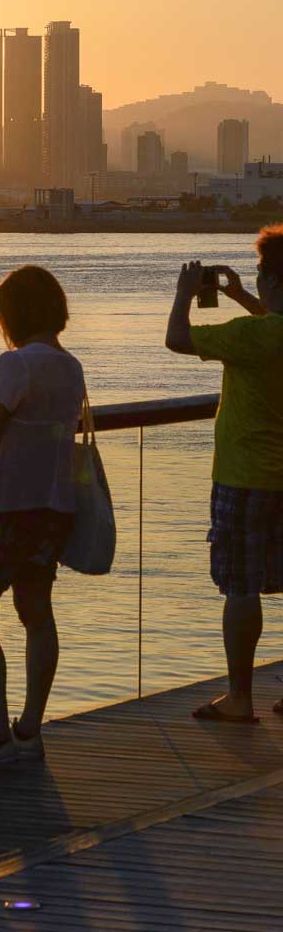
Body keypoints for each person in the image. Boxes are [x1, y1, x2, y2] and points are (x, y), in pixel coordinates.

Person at [0, 265, 84, 766]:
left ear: (12, 314)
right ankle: (30, 731)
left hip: (6, 511)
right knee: (36, 615)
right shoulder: (71, 367)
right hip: (51, 508)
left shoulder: (14, 363)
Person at [165, 231, 283, 724]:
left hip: (246, 476)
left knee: (242, 586)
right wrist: (239, 295)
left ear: (273, 279)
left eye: (259, 274)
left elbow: (177, 339)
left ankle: (239, 696)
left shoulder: (250, 336)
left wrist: (182, 294)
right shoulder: (266, 329)